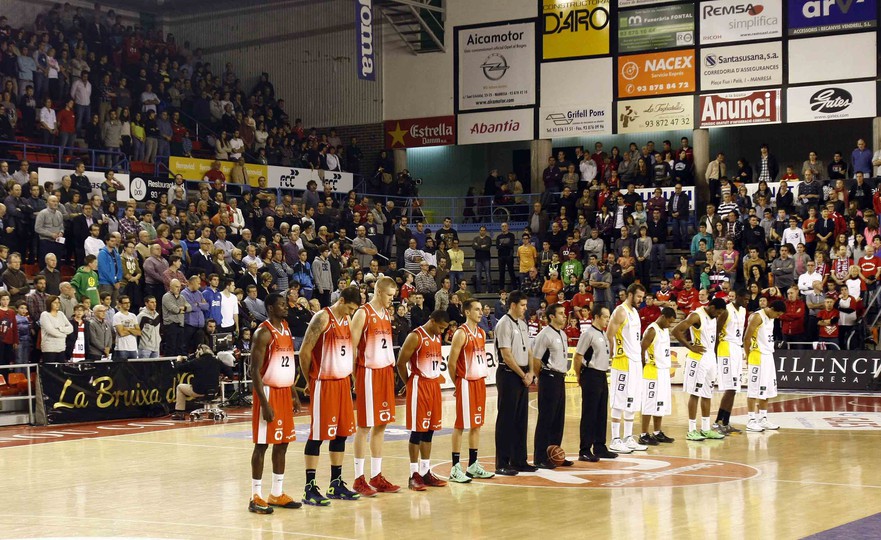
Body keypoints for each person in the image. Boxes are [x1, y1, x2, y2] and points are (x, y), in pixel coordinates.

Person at [298, 286, 362, 505]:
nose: (351, 313)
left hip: (342, 382)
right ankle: (309, 487)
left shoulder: (345, 319)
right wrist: (309, 380)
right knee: (318, 435)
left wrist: (351, 376)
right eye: (350, 308)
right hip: (324, 383)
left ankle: (336, 483)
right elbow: (305, 351)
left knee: (342, 434)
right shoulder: (322, 317)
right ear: (341, 300)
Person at [247, 293, 302, 514]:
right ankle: (255, 496)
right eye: (281, 304)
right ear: (270, 308)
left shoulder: (286, 327)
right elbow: (254, 371)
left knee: (283, 443)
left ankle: (276, 493)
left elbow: (286, 364)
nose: (286, 307)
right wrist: (264, 403)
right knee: (262, 445)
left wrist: (293, 393)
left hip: (283, 391)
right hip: (268, 393)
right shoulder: (263, 333)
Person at [350, 277, 401, 497]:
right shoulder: (363, 313)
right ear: (379, 291)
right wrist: (352, 376)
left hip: (384, 372)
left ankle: (376, 475)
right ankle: (358, 478)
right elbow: (351, 346)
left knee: (381, 424)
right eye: (389, 295)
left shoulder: (386, 314)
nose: (392, 299)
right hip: (368, 372)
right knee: (364, 426)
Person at [397, 309, 451, 491]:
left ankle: (425, 471)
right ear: (433, 320)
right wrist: (409, 383)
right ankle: (413, 475)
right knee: (418, 431)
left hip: (434, 385)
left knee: (429, 431)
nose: (442, 332)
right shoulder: (415, 336)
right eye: (441, 327)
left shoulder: (436, 337)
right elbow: (400, 362)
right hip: (419, 385)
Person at [447, 299, 496, 482]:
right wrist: (457, 384)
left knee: (476, 424)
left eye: (481, 309)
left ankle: (473, 465)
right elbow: (451, 363)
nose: (480, 312)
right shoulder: (461, 333)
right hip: (466, 382)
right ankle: (455, 467)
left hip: (479, 382)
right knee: (460, 424)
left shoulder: (482, 333)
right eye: (476, 309)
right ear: (467, 312)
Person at [493, 290, 537, 475]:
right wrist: (522, 374)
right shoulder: (504, 324)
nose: (525, 309)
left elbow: (528, 350)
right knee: (506, 419)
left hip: (523, 374)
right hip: (509, 374)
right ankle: (502, 462)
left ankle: (519, 460)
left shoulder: (523, 324)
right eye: (522, 305)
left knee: (521, 419)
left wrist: (532, 372)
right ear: (512, 305)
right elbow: (507, 355)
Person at [672, 297, 728, 441]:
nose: (719, 315)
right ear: (712, 307)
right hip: (698, 358)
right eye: (719, 312)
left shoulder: (713, 317)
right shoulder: (696, 315)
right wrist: (690, 346)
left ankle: (705, 428)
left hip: (709, 357)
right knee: (695, 393)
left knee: (708, 394)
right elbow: (676, 331)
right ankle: (691, 430)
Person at [530, 303, 574, 469]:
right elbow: (536, 359)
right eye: (561, 313)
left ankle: (555, 454)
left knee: (558, 419)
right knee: (546, 419)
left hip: (560, 378)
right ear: (551, 317)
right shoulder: (544, 335)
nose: (564, 316)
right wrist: (541, 376)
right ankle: (540, 457)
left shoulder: (562, 334)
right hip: (549, 377)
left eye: (564, 313)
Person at [605, 283, 648, 454]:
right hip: (622, 361)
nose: (640, 300)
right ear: (629, 294)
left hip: (635, 362)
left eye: (642, 298)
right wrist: (612, 354)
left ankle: (628, 437)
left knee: (632, 400)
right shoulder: (620, 311)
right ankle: (615, 439)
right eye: (638, 297)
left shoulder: (635, 312)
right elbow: (609, 334)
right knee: (619, 400)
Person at [573, 305, 616, 461]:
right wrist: (580, 376)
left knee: (601, 412)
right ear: (597, 317)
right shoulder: (588, 334)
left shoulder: (603, 334)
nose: (608, 320)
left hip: (602, 375)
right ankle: (584, 449)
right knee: (589, 413)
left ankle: (599, 446)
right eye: (605, 317)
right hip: (591, 374)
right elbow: (578, 357)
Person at [743, 300, 787, 432]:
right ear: (771, 309)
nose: (778, 317)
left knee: (766, 389)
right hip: (757, 355)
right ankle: (751, 420)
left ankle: (762, 418)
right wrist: (748, 355)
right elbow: (746, 338)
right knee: (754, 389)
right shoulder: (758, 316)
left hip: (768, 355)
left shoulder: (771, 318)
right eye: (777, 314)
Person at [639, 307, 677, 446]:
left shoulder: (665, 330)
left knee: (660, 403)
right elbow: (641, 349)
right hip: (652, 371)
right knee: (649, 403)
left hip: (663, 371)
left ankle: (657, 432)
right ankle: (643, 434)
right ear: (663, 317)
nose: (670, 324)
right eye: (669, 321)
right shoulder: (652, 330)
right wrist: (642, 369)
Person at [713, 289, 748, 434]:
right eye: (744, 298)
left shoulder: (743, 311)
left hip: (736, 348)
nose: (746, 301)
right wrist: (714, 354)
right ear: (737, 297)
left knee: (734, 389)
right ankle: (717, 422)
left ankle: (726, 422)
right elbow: (716, 331)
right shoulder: (726, 311)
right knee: (729, 388)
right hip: (726, 348)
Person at [39, 295, 73, 362]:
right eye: (55, 302)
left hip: (61, 347)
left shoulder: (61, 314)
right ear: (49, 303)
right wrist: (64, 335)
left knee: (60, 370)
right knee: (50, 369)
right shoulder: (45, 315)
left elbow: (71, 328)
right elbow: (51, 331)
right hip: (49, 348)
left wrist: (61, 328)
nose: (57, 304)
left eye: (58, 302)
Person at [112, 295, 140, 361]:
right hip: (122, 348)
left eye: (129, 302)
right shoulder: (117, 316)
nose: (128, 305)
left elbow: (139, 332)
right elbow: (121, 333)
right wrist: (133, 330)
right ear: (120, 304)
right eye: (125, 303)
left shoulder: (133, 316)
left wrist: (127, 329)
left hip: (133, 348)